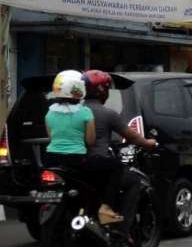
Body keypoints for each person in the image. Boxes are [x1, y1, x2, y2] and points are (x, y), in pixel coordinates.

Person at [82, 70, 158, 224]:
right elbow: (132, 136)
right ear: (102, 91)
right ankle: (116, 219)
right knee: (134, 180)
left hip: (73, 163)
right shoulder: (107, 114)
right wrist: (149, 143)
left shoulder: (70, 112)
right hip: (97, 164)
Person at [44, 70, 110, 223]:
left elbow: (51, 137)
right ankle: (102, 212)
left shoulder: (49, 113)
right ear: (79, 88)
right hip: (76, 160)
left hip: (50, 159)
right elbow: (90, 141)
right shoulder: (85, 112)